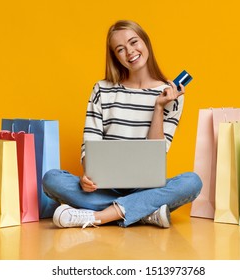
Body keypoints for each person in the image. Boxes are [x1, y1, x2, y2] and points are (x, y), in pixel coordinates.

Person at [42, 20, 202, 229]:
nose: (130, 52)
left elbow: (157, 152)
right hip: (104, 187)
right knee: (51, 178)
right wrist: (87, 177)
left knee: (192, 182)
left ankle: (99, 216)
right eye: (120, 49)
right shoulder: (102, 89)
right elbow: (90, 141)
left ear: (145, 42)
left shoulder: (170, 95)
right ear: (115, 57)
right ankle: (143, 212)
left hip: (145, 187)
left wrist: (159, 107)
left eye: (134, 42)